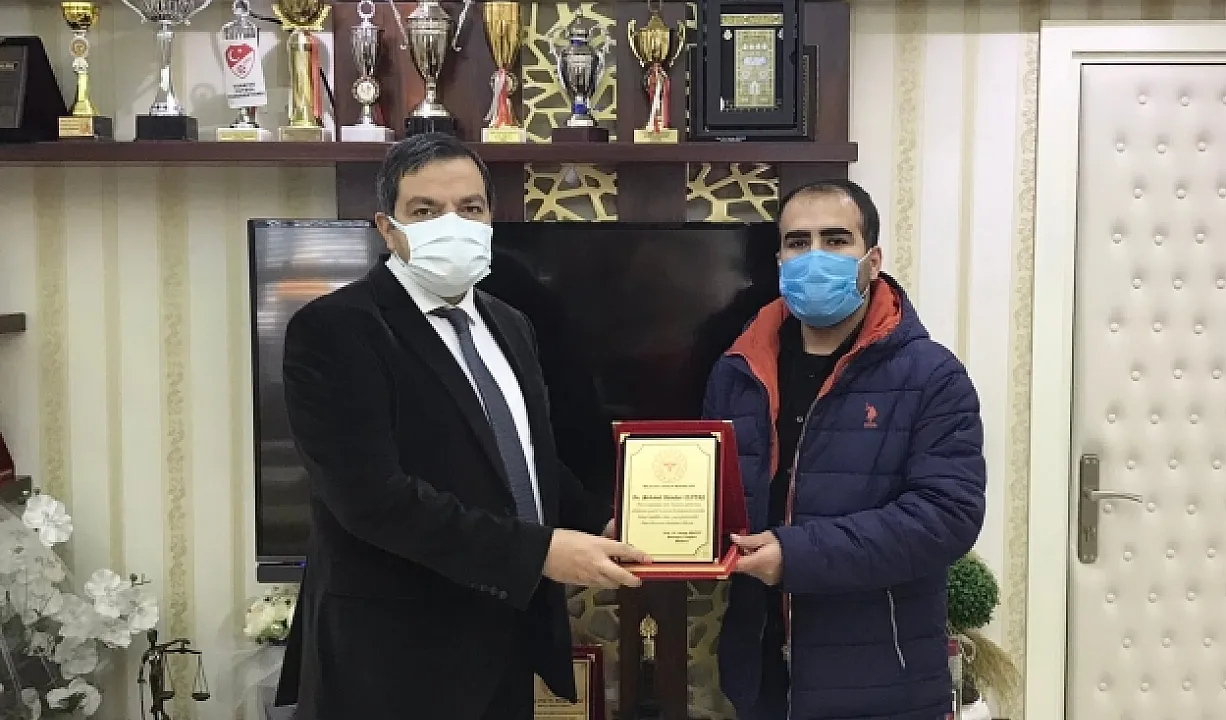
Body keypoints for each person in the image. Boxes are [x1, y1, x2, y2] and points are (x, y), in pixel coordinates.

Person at [273, 133, 649, 720]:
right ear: (387, 227)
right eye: (426, 210)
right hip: (392, 656)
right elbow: (372, 500)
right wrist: (540, 552)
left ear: (490, 218)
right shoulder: (335, 330)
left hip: (505, 640)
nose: (453, 224)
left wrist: (604, 518)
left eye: (470, 207)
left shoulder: (510, 323)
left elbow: (522, 457)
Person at [704, 179, 986, 720]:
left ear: (872, 260)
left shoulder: (932, 377)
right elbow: (713, 492)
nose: (815, 257)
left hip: (883, 686)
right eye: (797, 242)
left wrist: (795, 556)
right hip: (761, 678)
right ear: (779, 261)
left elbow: (946, 517)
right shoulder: (738, 370)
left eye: (835, 240)